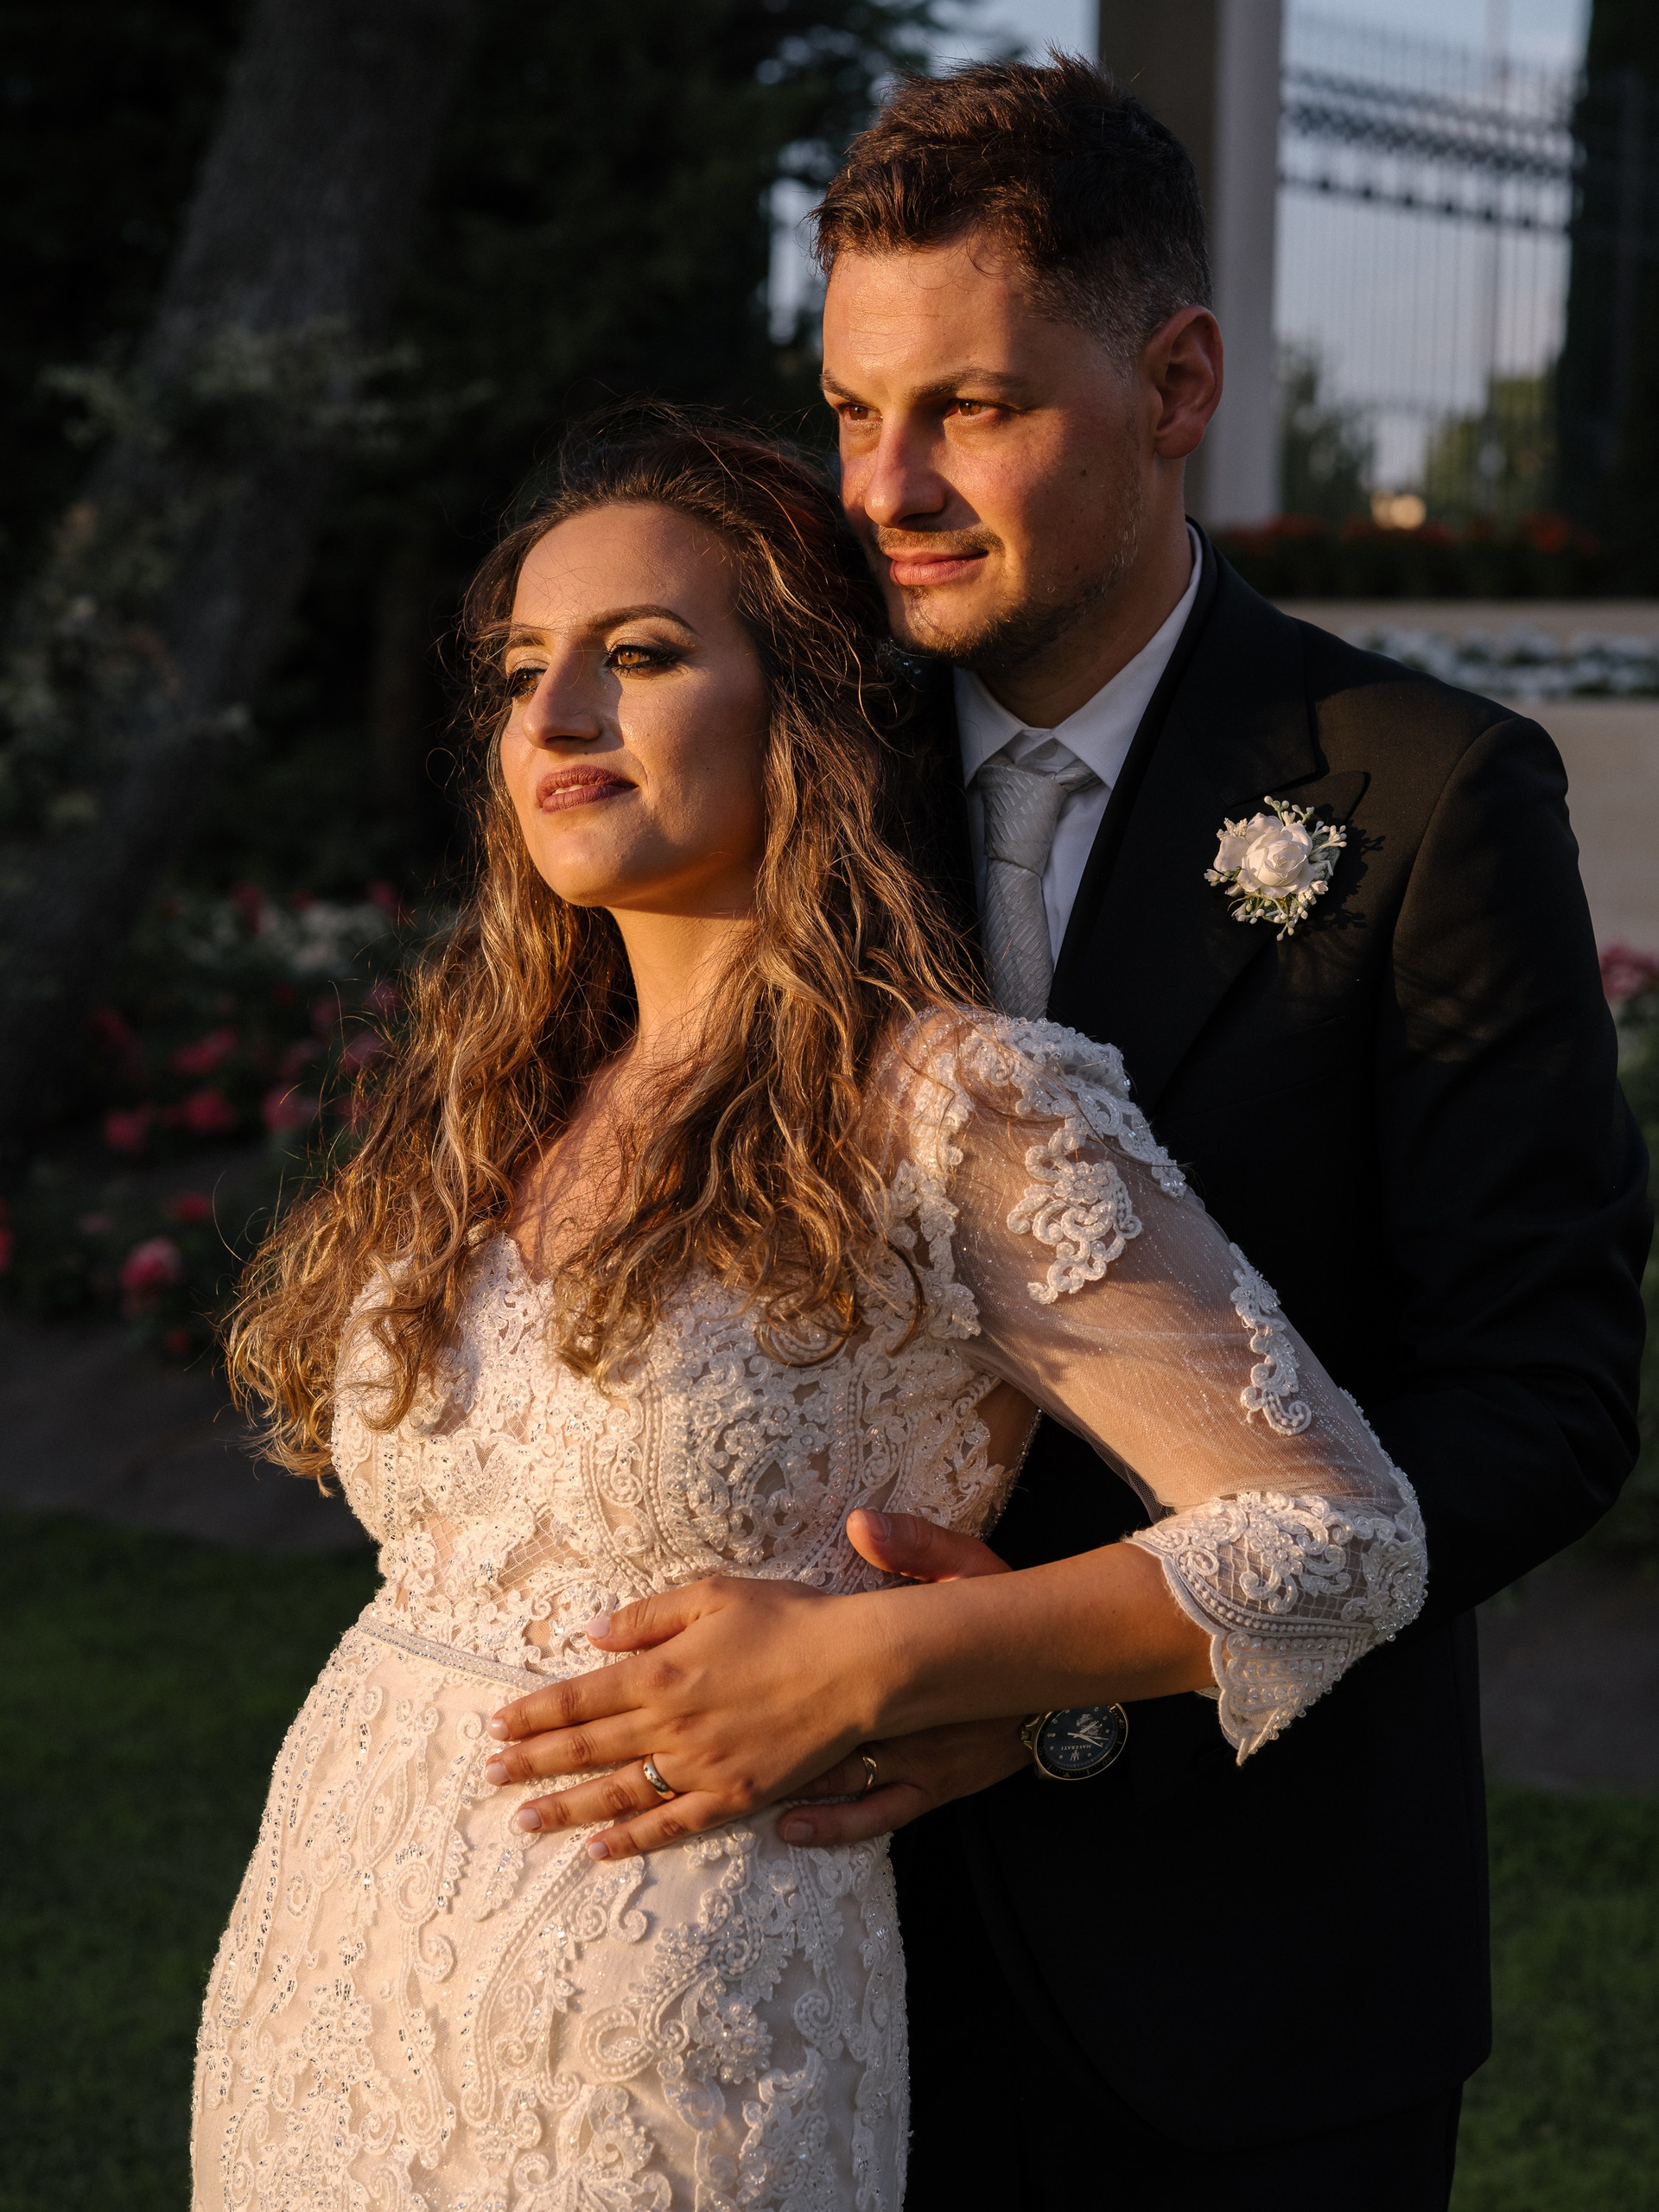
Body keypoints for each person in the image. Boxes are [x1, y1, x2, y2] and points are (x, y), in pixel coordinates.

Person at [488, 60, 1652, 2212]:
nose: (888, 487)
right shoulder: (785, 767)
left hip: (1244, 1962)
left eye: (973, 409)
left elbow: (1543, 1398)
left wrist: (1017, 1675)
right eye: (853, 412)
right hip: (783, 1942)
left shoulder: (1421, 794)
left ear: (1177, 380)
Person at [194, 412, 1429, 2210]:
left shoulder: (958, 1104)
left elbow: (1342, 1535)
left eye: (639, 656)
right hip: (332, 1971)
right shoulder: (506, 1092)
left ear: (807, 712)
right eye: (523, 673)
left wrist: (881, 1664)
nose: (555, 719)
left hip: (660, 2030)